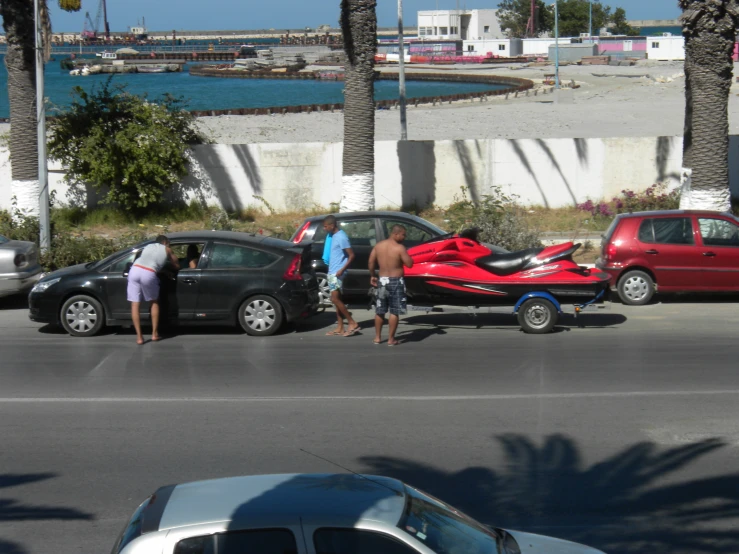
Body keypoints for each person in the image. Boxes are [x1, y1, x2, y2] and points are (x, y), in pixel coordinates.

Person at [127, 235, 179, 345]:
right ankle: (154, 334)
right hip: (148, 273)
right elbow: (176, 265)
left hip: (135, 270)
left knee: (135, 304)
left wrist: (162, 270)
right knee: (154, 302)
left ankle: (139, 338)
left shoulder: (148, 246)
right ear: (165, 242)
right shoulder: (167, 249)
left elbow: (145, 262)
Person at [369, 224, 413, 346]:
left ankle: (377, 338)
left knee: (380, 310)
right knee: (394, 311)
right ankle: (391, 339)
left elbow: (370, 262)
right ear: (395, 234)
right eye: (403, 234)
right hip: (396, 281)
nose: (405, 237)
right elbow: (409, 264)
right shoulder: (400, 248)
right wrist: (409, 256)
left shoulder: (378, 246)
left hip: (382, 280)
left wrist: (373, 275)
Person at [322, 215, 360, 337]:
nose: (324, 228)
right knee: (336, 300)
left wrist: (342, 269)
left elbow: (351, 255)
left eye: (326, 226)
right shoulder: (334, 236)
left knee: (334, 299)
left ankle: (352, 322)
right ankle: (340, 327)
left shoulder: (341, 237)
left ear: (332, 225)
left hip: (337, 273)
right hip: (332, 271)